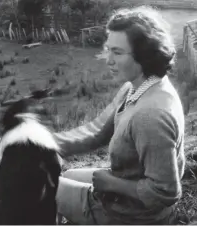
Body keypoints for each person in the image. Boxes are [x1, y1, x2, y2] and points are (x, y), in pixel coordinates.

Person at [53, 6, 185, 225]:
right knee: (67, 176)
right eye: (108, 49)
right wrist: (44, 143)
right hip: (124, 195)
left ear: (144, 55)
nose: (108, 59)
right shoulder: (137, 87)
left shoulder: (150, 116)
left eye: (117, 52)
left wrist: (113, 183)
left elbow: (166, 192)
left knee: (42, 186)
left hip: (132, 216)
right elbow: (99, 132)